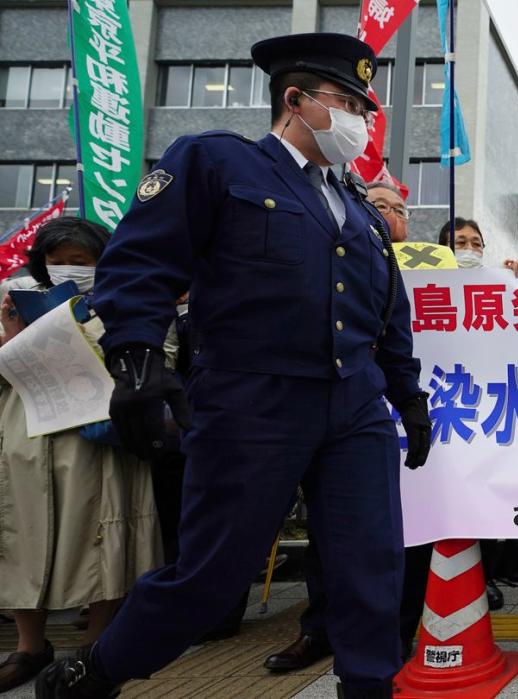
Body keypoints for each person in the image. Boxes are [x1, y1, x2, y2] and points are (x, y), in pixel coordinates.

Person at [37, 34, 432, 699]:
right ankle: (96, 671)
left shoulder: (362, 211)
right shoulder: (220, 162)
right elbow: (141, 259)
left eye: (366, 108)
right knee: (213, 575)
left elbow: (386, 315)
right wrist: (135, 354)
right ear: (296, 100)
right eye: (349, 102)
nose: (361, 122)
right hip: (253, 397)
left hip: (355, 405)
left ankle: (368, 688)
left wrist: (408, 397)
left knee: (370, 566)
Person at [264, 214, 518, 675]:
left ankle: (393, 637)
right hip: (362, 415)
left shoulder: (483, 287)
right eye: (457, 241)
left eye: (474, 242)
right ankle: (321, 631)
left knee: (423, 530)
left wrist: (510, 277)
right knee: (336, 532)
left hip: (445, 418)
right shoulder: (365, 272)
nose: (467, 248)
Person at [0, 219, 163, 693]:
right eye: (57, 261)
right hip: (25, 438)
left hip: (95, 438)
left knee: (102, 537)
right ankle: (30, 646)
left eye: (80, 261)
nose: (69, 269)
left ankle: (95, 645)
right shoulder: (12, 301)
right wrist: (14, 336)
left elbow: (153, 359)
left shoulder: (124, 300)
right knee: (21, 538)